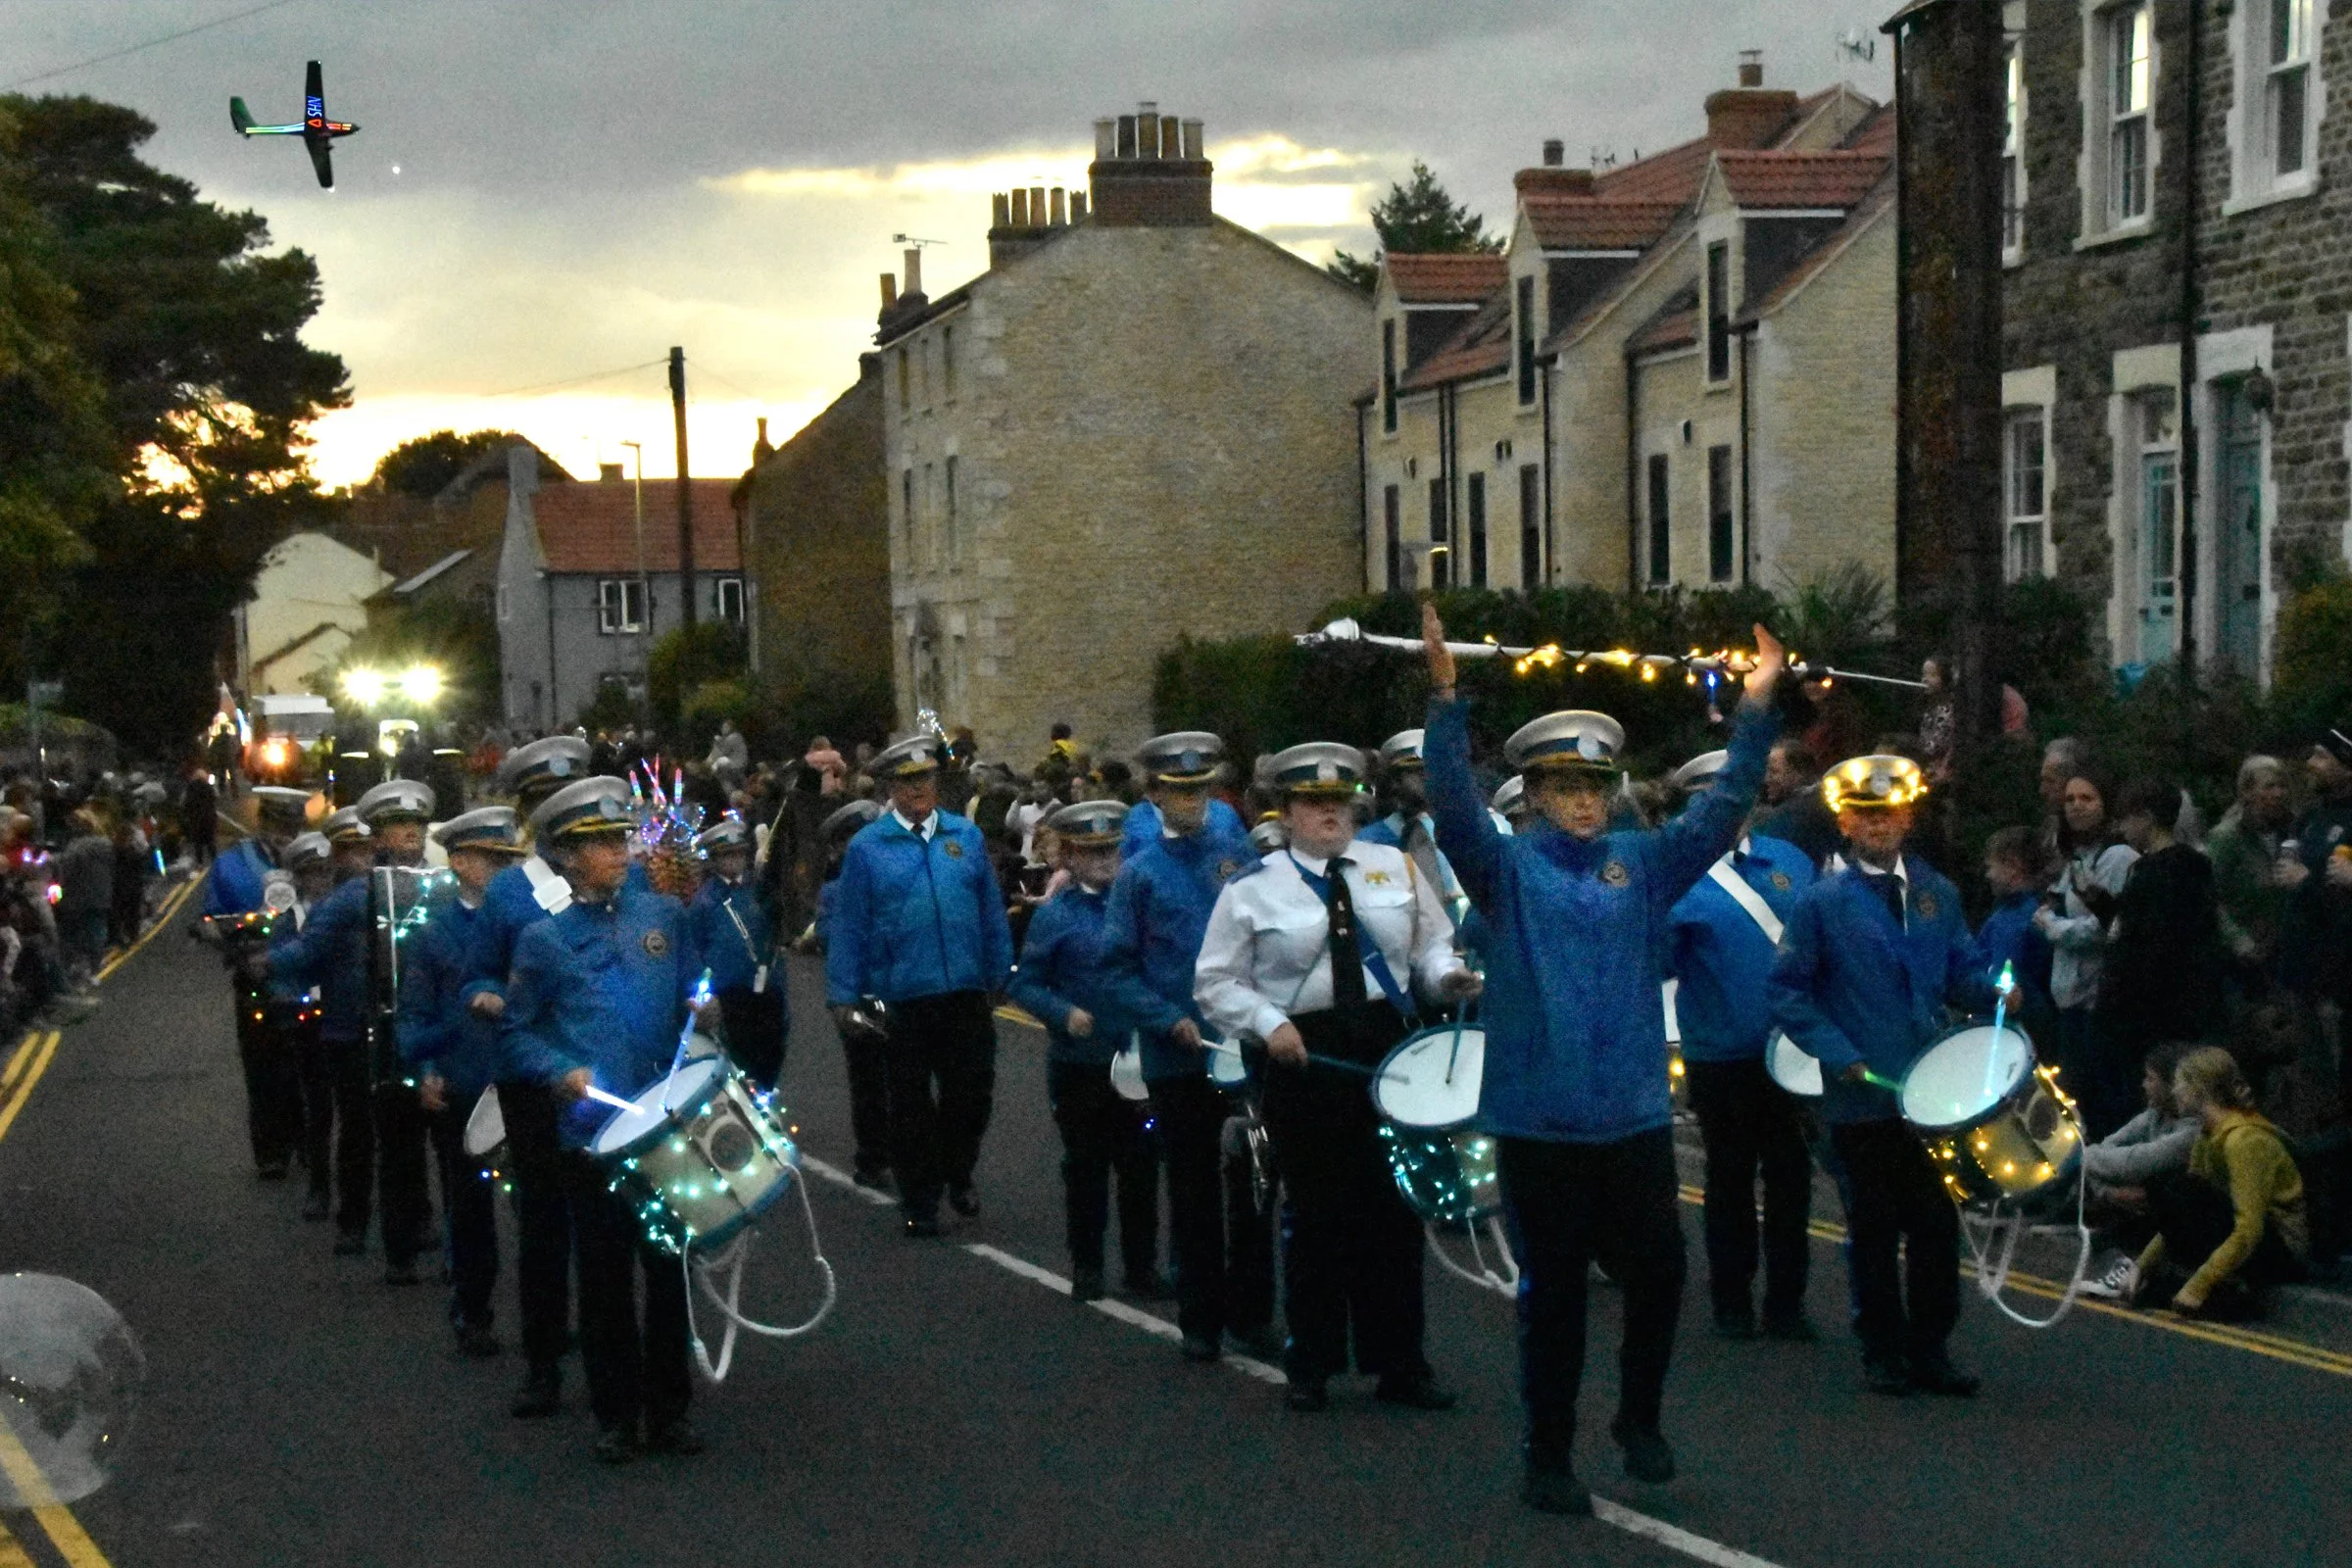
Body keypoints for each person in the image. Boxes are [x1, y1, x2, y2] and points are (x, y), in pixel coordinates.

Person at [1421, 602, 1784, 1515]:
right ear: (1536, 795)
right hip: (1540, 1122)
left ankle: (1638, 1418)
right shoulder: (1506, 870)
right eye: (1566, 786)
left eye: (1596, 785)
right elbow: (1453, 809)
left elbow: (1723, 810)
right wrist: (1446, 703)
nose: (1585, 801)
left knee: (1660, 1275)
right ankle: (1548, 1454)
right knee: (1556, 1299)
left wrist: (1754, 711)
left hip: (1632, 1115)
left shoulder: (1643, 861)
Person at [1197, 741, 1476, 1412]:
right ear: (1286, 810)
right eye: (1313, 802)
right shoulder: (1251, 888)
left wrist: (1447, 977)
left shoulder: (1393, 867)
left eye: (1339, 802)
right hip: (1304, 1055)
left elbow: (1430, 948)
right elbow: (1215, 982)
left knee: (1393, 1213)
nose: (1330, 814)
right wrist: (1268, 1023)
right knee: (1318, 1213)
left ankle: (1400, 1363)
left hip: (1385, 1046)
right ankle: (1312, 1363)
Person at [1769, 753, 1990, 1401]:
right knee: (1873, 1228)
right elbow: (1787, 992)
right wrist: (1836, 1052)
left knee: (1936, 1226)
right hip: (1862, 1096)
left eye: (1890, 813)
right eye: (1866, 815)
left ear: (1908, 818)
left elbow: (1962, 969)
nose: (1879, 825)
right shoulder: (1821, 902)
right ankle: (1882, 1349)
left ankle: (1931, 1348)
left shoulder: (1936, 893)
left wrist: (1997, 989)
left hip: (1932, 1094)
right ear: (1845, 822)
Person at [504, 776, 711, 1464]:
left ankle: (670, 1411)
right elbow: (516, 1033)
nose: (621, 852)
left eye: (622, 839)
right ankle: (616, 1415)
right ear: (567, 857)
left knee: (669, 1273)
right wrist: (558, 1070)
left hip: (663, 1125)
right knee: (604, 1279)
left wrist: (706, 1010)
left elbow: (693, 993)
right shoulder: (543, 939)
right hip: (592, 1134)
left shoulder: (664, 917)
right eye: (601, 844)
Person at [1101, 731, 1277, 1365]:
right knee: (1194, 1189)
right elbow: (1116, 968)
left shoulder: (1239, 858)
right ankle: (1200, 1319)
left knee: (1254, 1184)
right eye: (1178, 792)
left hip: (1243, 1047)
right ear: (1154, 795)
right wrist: (1163, 1018)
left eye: (1200, 790)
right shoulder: (1139, 873)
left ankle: (1253, 1315)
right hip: (1178, 1054)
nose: (1192, 801)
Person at [825, 734, 1013, 1238]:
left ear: (937, 781)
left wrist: (1000, 968)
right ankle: (921, 1201)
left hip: (965, 990)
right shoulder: (868, 847)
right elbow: (850, 925)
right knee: (909, 1106)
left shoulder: (965, 836)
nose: (917, 789)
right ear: (890, 788)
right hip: (902, 994)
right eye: (907, 781)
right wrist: (844, 994)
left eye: (925, 778)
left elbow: (989, 908)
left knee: (971, 1096)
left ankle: (958, 1169)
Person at [1662, 749, 1817, 1344]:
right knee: (1729, 1178)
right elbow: (1658, 962)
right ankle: (1731, 1299)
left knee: (1791, 1177)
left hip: (1792, 1050)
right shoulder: (1676, 874)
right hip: (1719, 1053)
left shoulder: (1790, 860)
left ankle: (1786, 1302)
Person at [465, 734, 595, 1420]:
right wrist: (488, 996)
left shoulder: (621, 883)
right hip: (535, 1079)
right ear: (530, 814)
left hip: (603, 1073)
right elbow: (478, 973)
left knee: (611, 1223)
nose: (560, 816)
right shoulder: (511, 893)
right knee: (543, 1224)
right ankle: (543, 1363)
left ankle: (617, 1363)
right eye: (548, 804)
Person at [1007, 799, 1161, 1302]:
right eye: (1092, 852)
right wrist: (1063, 1013)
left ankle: (1141, 1267)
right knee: (1086, 1168)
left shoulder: (1141, 906)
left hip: (1140, 1062)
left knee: (1141, 1168)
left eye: (1111, 850)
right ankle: (1088, 1265)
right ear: (1070, 857)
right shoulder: (1055, 916)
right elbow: (1024, 984)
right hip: (1081, 1065)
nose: (1104, 860)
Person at [397, 807, 529, 1357]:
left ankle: (547, 1321)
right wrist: (426, 1070)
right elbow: (415, 1012)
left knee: (540, 1211)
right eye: (490, 859)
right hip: (466, 1084)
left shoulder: (532, 925)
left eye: (507, 859)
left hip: (526, 1081)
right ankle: (473, 1313)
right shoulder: (434, 933)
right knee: (470, 1208)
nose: (501, 870)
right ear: (458, 863)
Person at [2131, 1047, 2309, 1318]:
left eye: (2180, 1084)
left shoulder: (2244, 1140)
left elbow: (2249, 1228)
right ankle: (2196, 1281)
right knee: (2166, 1186)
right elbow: (2181, 1213)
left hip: (2282, 1250)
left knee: (2179, 1188)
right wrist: (2141, 1266)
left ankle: (2225, 1288)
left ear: (2199, 1089)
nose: (2175, 1091)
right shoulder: (2207, 1136)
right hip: (2250, 1239)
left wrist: (2199, 1286)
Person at [2097, 778, 2226, 1133]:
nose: (2122, 827)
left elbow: (2144, 945)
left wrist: (2118, 1000)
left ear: (2147, 818)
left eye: (2127, 818)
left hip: (2149, 1013)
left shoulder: (2153, 875)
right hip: (2188, 1005)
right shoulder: (2195, 868)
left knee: (2152, 1101)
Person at [353, 778, 440, 1288]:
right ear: (379, 837)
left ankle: (452, 1249)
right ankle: (400, 1249)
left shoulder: (447, 885)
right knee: (399, 1146)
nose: (410, 832)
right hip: (389, 1032)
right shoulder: (365, 890)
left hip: (442, 1033)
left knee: (455, 1150)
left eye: (416, 824)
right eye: (397, 825)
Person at [201, 784, 313, 1179]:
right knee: (262, 1065)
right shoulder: (231, 863)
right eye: (279, 825)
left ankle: (308, 1143)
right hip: (255, 978)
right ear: (263, 821)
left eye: (293, 827)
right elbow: (211, 918)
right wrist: (233, 942)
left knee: (308, 1066)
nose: (286, 835)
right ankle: (271, 1152)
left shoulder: (316, 859)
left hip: (308, 976)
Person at [2034, 768, 2134, 1126]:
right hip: (2069, 1000)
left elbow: (2105, 927)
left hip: (2099, 1000)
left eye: (2087, 798)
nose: (2076, 806)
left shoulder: (2118, 857)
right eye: (2070, 799)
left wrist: (2052, 926)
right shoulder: (2077, 857)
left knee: (2100, 1102)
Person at [809, 797, 890, 1189]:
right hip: (862, 995)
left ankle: (906, 1152)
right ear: (842, 847)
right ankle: (872, 1156)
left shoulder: (897, 878)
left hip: (900, 989)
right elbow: (829, 936)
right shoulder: (835, 891)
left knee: (905, 1078)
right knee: (869, 1079)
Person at [2079, 1041, 2200, 1298]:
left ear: (2172, 1085)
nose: (2144, 1085)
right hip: (2137, 1202)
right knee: (2102, 1231)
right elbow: (2106, 1148)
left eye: (2151, 1078)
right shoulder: (2155, 1115)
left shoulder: (2193, 1131)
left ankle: (2139, 1272)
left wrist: (2083, 1158)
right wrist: (2109, 1193)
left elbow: (2131, 1164)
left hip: (2178, 1216)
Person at [688, 815, 786, 1090]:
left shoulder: (759, 890)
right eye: (726, 855)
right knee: (741, 1062)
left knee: (772, 1055)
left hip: (767, 988)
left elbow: (775, 932)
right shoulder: (704, 902)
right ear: (713, 860)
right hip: (729, 996)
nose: (734, 861)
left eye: (739, 854)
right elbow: (696, 951)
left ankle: (766, 1094)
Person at [275, 831, 340, 1222]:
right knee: (318, 1106)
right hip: (309, 1018)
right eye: (312, 873)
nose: (320, 880)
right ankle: (319, 1185)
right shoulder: (290, 917)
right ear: (299, 877)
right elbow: (280, 963)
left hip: (344, 1013)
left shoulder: (345, 908)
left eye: (326, 872)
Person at [2204, 756, 2296, 998]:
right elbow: (2205, 894)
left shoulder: (2292, 832)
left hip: (2282, 954)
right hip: (2240, 961)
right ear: (2246, 792)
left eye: (2282, 786)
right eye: (2269, 787)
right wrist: (2238, 940)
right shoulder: (2227, 838)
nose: (2278, 794)